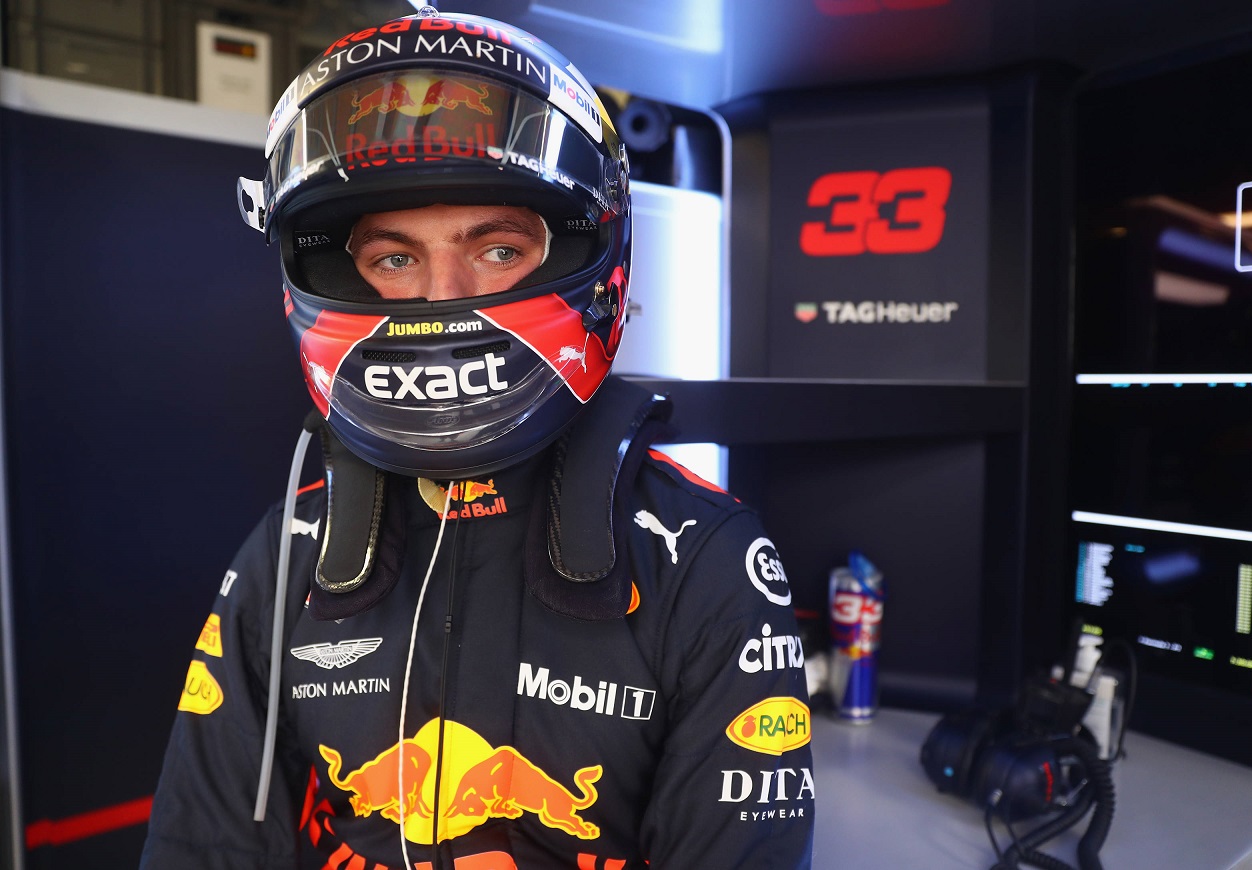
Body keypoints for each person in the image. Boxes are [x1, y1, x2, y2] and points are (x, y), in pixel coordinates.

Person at [140, 7, 815, 869]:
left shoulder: (703, 559)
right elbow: (200, 848)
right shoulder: (290, 552)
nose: (443, 296)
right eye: (395, 259)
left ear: (588, 252)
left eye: (498, 250)